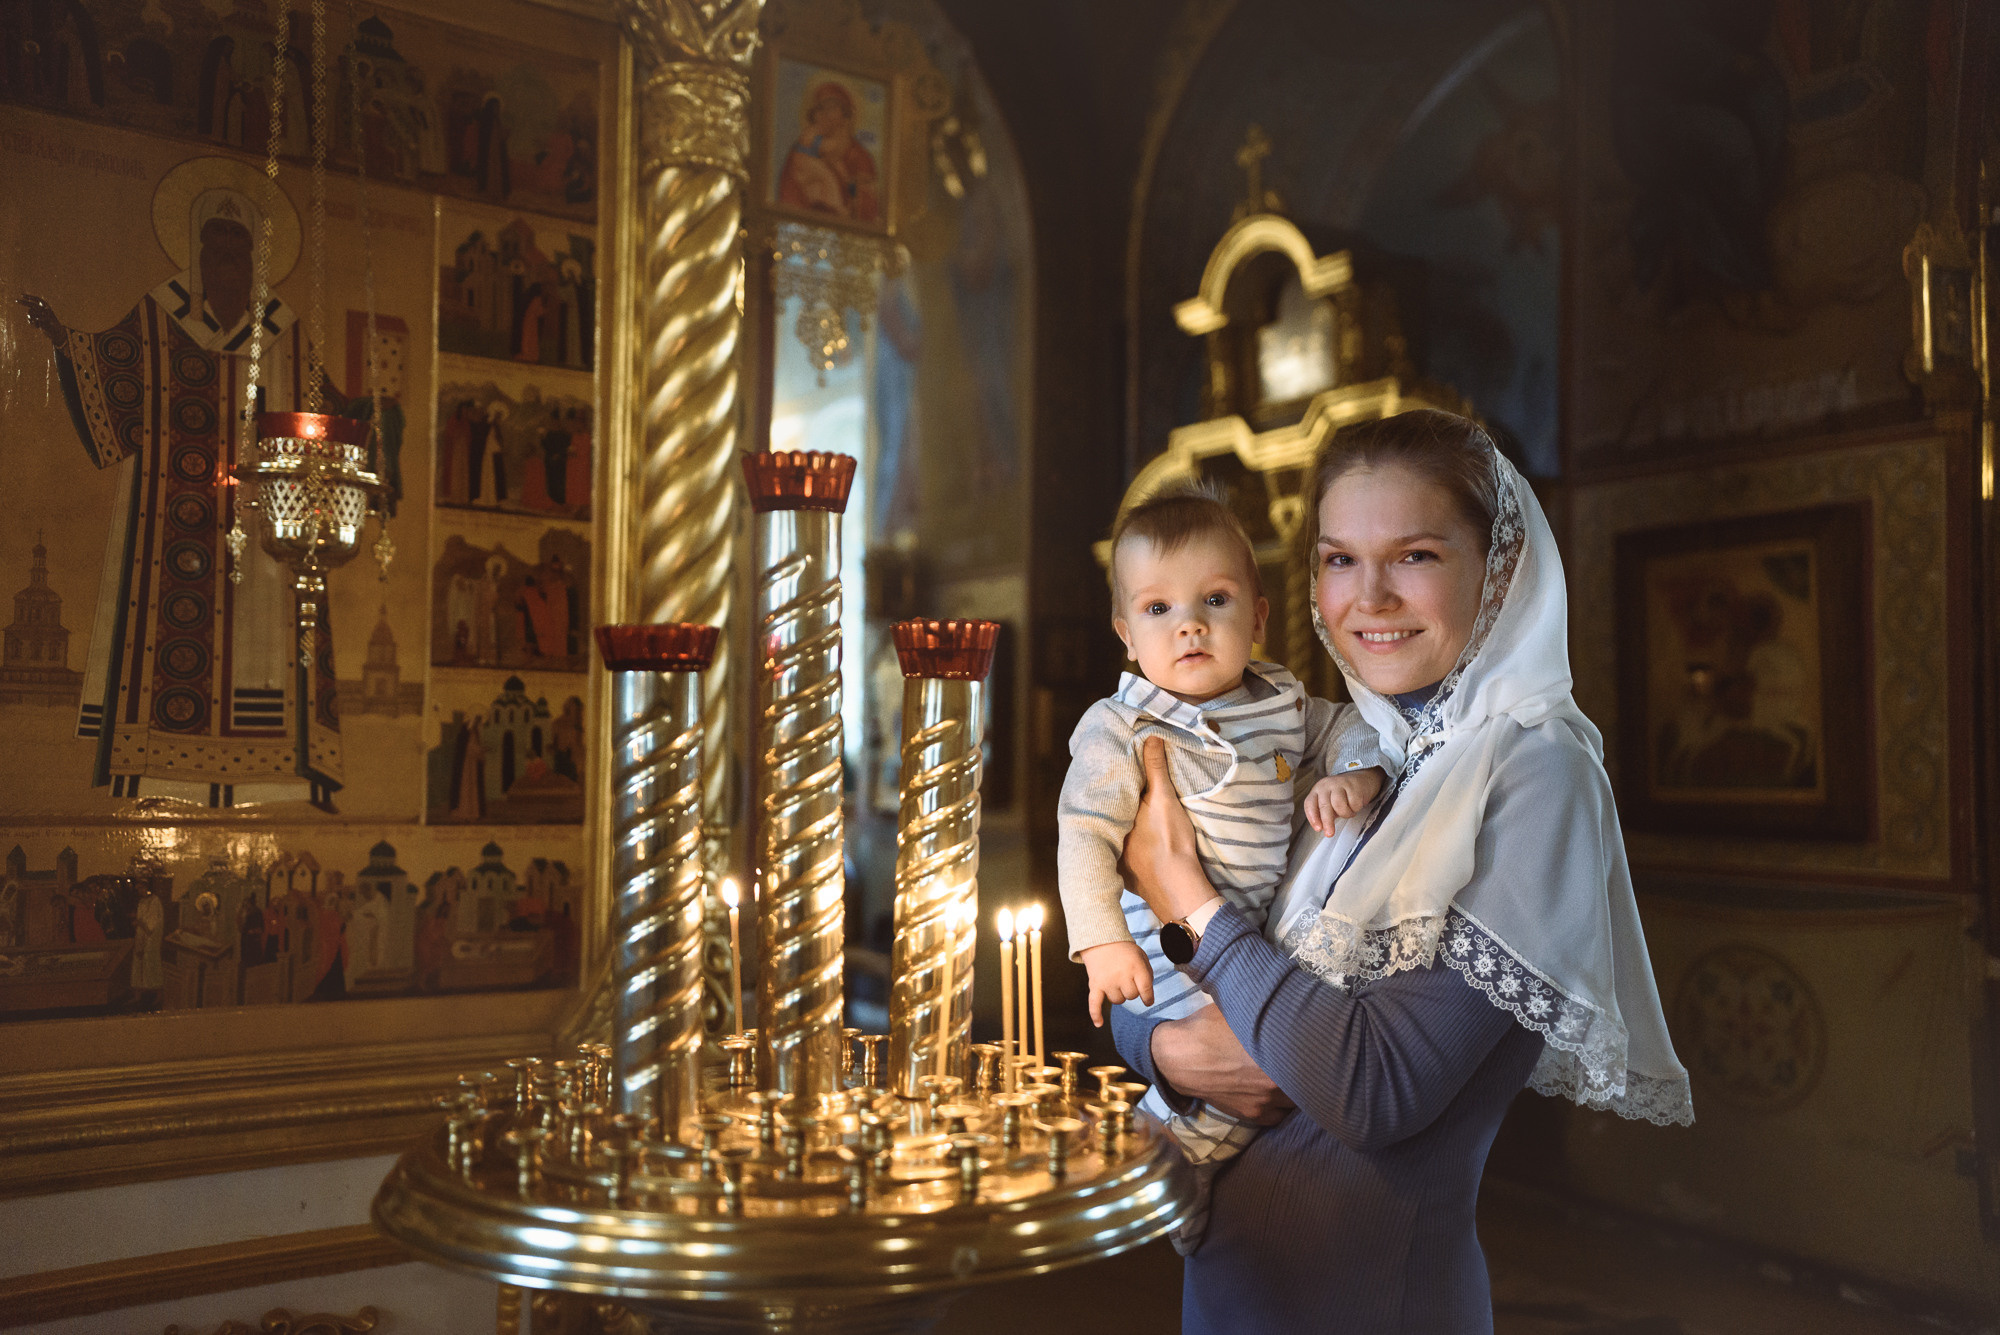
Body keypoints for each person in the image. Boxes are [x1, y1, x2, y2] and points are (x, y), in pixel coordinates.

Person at [1110, 410, 1692, 1334]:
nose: (1368, 596)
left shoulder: (1535, 769)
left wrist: (1187, 896)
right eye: (1339, 559)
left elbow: (1373, 1089)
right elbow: (1146, 987)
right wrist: (1168, 1053)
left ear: (1497, 570)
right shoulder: (1343, 750)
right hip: (1229, 1298)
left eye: (1415, 555)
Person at [1059, 482, 1389, 1253]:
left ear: (1260, 614)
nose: (1191, 626)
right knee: (1221, 1076)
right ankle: (1175, 1176)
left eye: (1215, 599)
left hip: (1251, 935)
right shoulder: (1122, 724)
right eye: (1158, 609)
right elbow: (1085, 833)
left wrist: (1356, 773)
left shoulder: (1282, 697)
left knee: (1241, 1079)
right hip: (1164, 952)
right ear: (1125, 634)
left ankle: (1181, 1177)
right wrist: (1100, 939)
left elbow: (1350, 728)